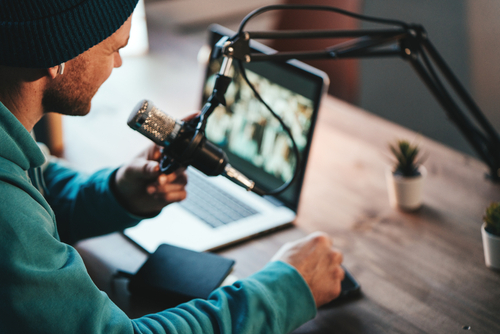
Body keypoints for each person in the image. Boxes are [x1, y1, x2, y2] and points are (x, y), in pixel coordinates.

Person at [0, 1, 345, 333]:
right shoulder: (8, 214)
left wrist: (115, 193)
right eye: (113, 49)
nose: (118, 63)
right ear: (57, 51)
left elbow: (40, 186)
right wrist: (283, 292)